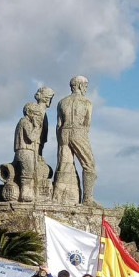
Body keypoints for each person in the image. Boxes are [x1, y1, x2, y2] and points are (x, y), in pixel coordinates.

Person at [53, 75, 99, 206]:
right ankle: (88, 199)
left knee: (64, 165)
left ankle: (59, 198)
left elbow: (58, 123)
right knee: (89, 165)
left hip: (63, 133)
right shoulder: (87, 103)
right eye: (85, 86)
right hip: (78, 132)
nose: (86, 89)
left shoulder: (62, 102)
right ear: (79, 85)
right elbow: (87, 124)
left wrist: (61, 141)